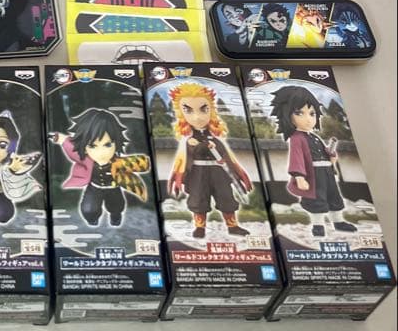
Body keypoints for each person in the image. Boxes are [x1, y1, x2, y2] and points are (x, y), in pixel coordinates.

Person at [168, 81, 253, 238]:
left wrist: (234, 169)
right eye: (188, 110)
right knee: (198, 199)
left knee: (226, 197)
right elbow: (190, 154)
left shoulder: (216, 138)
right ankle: (200, 227)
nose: (197, 117)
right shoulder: (188, 140)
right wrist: (202, 146)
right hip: (198, 172)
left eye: (204, 109)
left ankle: (233, 226)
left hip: (218, 171)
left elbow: (226, 155)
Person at [270, 85, 357, 238]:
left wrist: (331, 156)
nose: (308, 119)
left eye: (312, 113)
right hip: (313, 174)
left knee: (333, 196)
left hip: (326, 172)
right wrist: (299, 177)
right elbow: (296, 157)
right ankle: (318, 225)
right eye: (299, 113)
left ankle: (338, 222)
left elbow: (323, 152)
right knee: (316, 199)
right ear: (287, 115)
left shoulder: (315, 137)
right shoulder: (296, 138)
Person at [51, 108, 149, 227]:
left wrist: (142, 164)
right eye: (92, 146)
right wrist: (62, 139)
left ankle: (115, 216)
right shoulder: (86, 160)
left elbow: (140, 163)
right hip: (94, 187)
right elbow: (73, 150)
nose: (101, 152)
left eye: (107, 145)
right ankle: (92, 219)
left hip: (114, 187)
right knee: (89, 209)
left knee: (116, 206)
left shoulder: (120, 162)